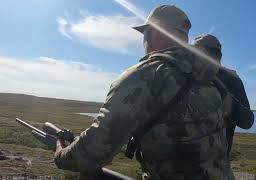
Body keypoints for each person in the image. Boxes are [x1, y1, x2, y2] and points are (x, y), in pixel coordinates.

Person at [54, 5, 234, 180]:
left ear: (154, 33)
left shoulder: (144, 76)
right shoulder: (210, 77)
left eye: (145, 34)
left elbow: (90, 154)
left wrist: (60, 152)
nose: (143, 41)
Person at [192, 34, 255, 155]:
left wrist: (229, 104)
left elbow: (248, 121)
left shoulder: (231, 79)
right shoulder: (187, 74)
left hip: (216, 164)